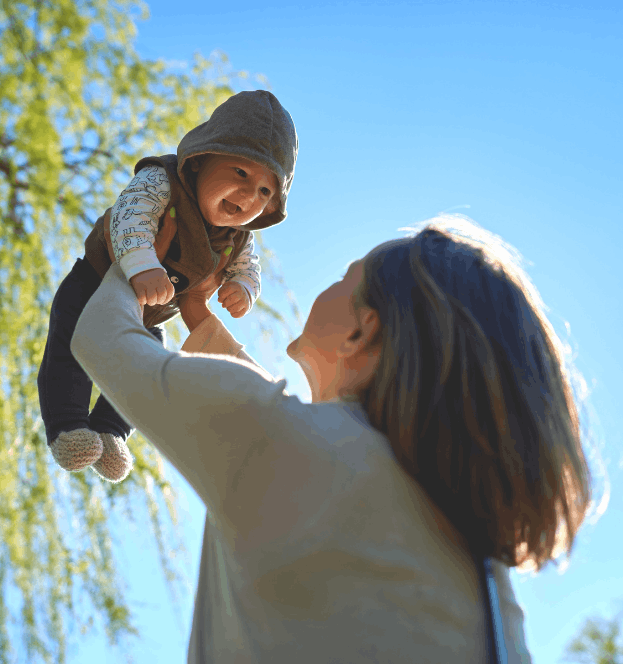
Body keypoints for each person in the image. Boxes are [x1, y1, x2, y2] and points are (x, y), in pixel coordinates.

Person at [70, 215, 591, 663]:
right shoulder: (486, 570)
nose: (331, 282)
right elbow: (299, 435)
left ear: (361, 332)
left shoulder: (273, 441)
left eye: (346, 277)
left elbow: (101, 338)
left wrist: (137, 262)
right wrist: (201, 320)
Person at [37, 90, 297, 481]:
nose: (248, 196)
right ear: (200, 162)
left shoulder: (239, 237)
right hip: (94, 282)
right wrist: (142, 264)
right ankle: (68, 425)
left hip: (151, 315)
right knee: (71, 345)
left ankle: (112, 431)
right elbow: (130, 216)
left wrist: (243, 288)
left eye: (265, 191)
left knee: (146, 367)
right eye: (241, 173)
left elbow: (249, 267)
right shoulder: (163, 181)